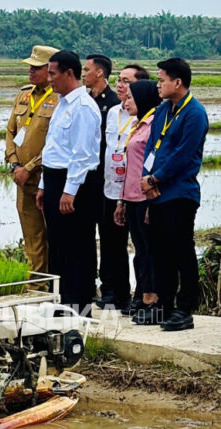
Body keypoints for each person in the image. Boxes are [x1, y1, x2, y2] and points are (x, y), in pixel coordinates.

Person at [141, 58, 208, 331]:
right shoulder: (163, 109)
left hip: (179, 193)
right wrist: (147, 179)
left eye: (162, 80)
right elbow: (150, 147)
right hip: (156, 192)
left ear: (177, 83)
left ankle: (185, 309)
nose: (158, 85)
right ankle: (165, 305)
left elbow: (184, 155)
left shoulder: (195, 113)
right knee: (160, 252)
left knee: (182, 251)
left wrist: (156, 178)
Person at [35, 50, 101, 317]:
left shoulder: (83, 107)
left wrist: (68, 192)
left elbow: (82, 155)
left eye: (52, 73)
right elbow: (52, 148)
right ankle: (63, 300)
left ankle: (80, 305)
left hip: (74, 182)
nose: (49, 79)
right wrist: (43, 185)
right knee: (58, 244)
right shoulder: (62, 103)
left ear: (69, 74)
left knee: (78, 245)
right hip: (54, 178)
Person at [97, 64, 150, 311]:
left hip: (135, 192)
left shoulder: (146, 116)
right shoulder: (113, 112)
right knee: (111, 244)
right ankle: (115, 293)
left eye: (126, 81)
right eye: (119, 80)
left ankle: (141, 294)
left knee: (141, 247)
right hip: (111, 188)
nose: (120, 85)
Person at [5, 45, 59, 283]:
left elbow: (57, 143)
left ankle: (56, 283)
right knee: (31, 235)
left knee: (53, 234)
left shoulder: (59, 99)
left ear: (51, 69)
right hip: (21, 179)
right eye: (30, 67)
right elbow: (10, 131)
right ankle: (36, 283)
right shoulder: (24, 94)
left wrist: (30, 167)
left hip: (45, 178)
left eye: (36, 68)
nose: (31, 72)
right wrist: (15, 164)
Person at [113, 80, 162, 324]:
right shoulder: (137, 124)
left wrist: (152, 202)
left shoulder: (154, 124)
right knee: (140, 251)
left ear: (142, 99)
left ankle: (153, 302)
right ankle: (144, 298)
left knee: (150, 251)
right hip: (131, 197)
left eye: (130, 98)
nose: (125, 102)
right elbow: (128, 166)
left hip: (145, 197)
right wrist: (121, 200)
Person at [82, 53, 125, 307]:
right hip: (86, 180)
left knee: (110, 238)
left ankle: (111, 289)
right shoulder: (83, 101)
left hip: (107, 181)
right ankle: (88, 286)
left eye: (87, 69)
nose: (83, 73)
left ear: (100, 73)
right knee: (86, 237)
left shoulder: (114, 103)